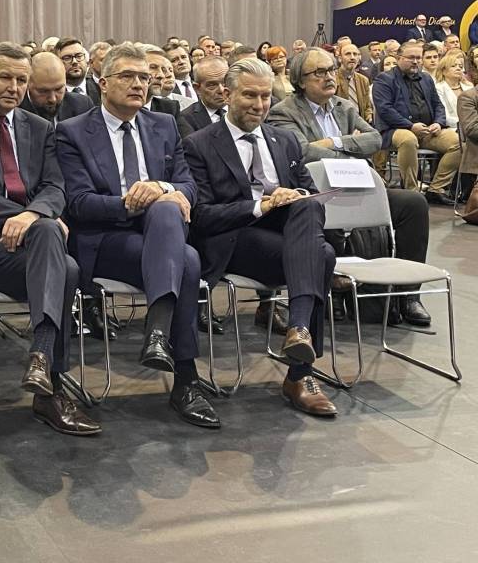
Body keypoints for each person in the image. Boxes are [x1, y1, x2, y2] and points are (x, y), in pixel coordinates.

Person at [0, 43, 102, 436]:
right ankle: (49, 383)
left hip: (30, 243)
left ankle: (41, 367)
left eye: (21, 80)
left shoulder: (39, 127)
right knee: (63, 262)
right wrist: (25, 217)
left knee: (60, 255)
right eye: (6, 77)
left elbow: (55, 187)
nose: (14, 87)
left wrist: (33, 216)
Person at [55, 43, 220, 428]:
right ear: (102, 83)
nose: (139, 84)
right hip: (105, 241)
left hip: (160, 235)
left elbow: (188, 185)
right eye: (128, 76)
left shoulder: (163, 124)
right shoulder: (73, 132)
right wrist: (132, 201)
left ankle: (160, 335)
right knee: (187, 259)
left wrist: (162, 188)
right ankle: (184, 378)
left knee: (169, 215)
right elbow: (78, 203)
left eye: (144, 77)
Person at [183, 57, 338, 417]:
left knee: (308, 209)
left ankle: (298, 332)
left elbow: (311, 193)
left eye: (266, 96)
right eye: (249, 95)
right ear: (227, 95)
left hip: (287, 235)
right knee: (323, 255)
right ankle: (300, 374)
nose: (259, 104)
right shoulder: (199, 144)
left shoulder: (284, 140)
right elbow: (202, 216)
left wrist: (293, 196)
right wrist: (261, 206)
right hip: (235, 237)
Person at [267, 47, 432, 326]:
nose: (329, 77)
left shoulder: (344, 107)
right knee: (319, 210)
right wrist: (352, 152)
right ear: (300, 80)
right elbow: (302, 151)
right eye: (319, 72)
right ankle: (332, 291)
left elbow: (375, 139)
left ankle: (408, 295)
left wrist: (335, 142)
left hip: (358, 185)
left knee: (413, 204)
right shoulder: (283, 112)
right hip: (317, 192)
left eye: (331, 69)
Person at [373, 40, 461, 205]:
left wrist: (438, 123)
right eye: (411, 58)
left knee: (458, 142)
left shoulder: (426, 78)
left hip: (427, 130)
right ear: (399, 58)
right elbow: (385, 110)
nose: (415, 61)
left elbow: (438, 104)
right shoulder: (384, 79)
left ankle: (436, 189)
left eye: (418, 58)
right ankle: (411, 191)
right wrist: (410, 126)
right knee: (408, 139)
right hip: (394, 130)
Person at [18, 52, 93, 125]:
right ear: (27, 83)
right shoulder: (15, 111)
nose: (53, 99)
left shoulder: (82, 105)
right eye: (43, 91)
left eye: (58, 89)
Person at [55, 38, 101, 105]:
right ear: (57, 62)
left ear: (87, 61)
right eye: (67, 58)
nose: (74, 61)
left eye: (79, 56)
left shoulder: (101, 90)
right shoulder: (53, 95)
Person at [433, 51, 473, 129]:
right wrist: (467, 124)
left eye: (460, 66)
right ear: (443, 71)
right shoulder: (438, 88)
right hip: (452, 128)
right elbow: (444, 116)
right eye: (453, 66)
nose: (458, 68)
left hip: (473, 126)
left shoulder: (469, 87)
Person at [335, 43, 374, 123]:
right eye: (348, 54)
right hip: (339, 124)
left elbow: (367, 106)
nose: (352, 57)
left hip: (361, 124)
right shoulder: (333, 78)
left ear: (359, 58)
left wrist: (369, 117)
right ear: (340, 59)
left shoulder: (364, 80)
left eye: (355, 54)